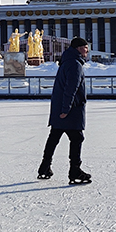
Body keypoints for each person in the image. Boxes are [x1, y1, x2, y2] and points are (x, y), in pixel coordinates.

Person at [37, 36, 91, 184]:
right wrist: (66, 109)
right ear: (79, 49)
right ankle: (75, 170)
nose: (87, 51)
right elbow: (71, 89)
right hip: (70, 110)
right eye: (85, 48)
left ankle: (44, 167)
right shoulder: (75, 64)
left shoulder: (66, 62)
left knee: (54, 136)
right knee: (77, 138)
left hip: (60, 107)